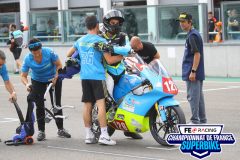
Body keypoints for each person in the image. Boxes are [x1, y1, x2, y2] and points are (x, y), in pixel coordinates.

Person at [67, 15, 123, 145]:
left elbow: (69, 54)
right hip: (97, 76)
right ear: (97, 25)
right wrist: (123, 56)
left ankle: (88, 135)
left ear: (87, 26)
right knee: (101, 105)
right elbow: (109, 60)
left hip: (85, 77)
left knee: (87, 105)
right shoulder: (100, 41)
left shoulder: (80, 41)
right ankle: (104, 135)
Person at [98, 9, 143, 139]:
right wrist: (122, 54)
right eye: (112, 22)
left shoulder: (123, 35)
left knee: (135, 93)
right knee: (110, 99)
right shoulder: (101, 37)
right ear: (107, 23)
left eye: (117, 22)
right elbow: (120, 55)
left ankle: (129, 129)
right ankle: (105, 127)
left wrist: (111, 48)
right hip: (107, 72)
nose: (115, 25)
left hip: (122, 71)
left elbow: (128, 49)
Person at [21, 38, 71, 141]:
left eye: (39, 51)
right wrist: (27, 85)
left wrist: (56, 77)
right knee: (39, 105)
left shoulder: (49, 52)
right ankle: (41, 131)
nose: (38, 54)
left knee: (56, 104)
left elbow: (59, 65)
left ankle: (60, 129)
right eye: (35, 52)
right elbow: (23, 76)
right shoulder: (27, 59)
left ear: (41, 48)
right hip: (37, 81)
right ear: (30, 51)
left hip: (54, 78)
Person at [177, 12, 207, 124]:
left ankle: (195, 120)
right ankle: (202, 120)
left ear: (190, 22)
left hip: (192, 73)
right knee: (198, 98)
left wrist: (193, 71)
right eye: (180, 22)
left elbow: (197, 54)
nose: (181, 24)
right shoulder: (193, 34)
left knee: (193, 97)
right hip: (195, 72)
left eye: (184, 22)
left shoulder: (192, 36)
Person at [0, 50, 17, 142]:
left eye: (2, 64)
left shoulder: (2, 67)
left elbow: (7, 82)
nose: (1, 66)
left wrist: (13, 92)